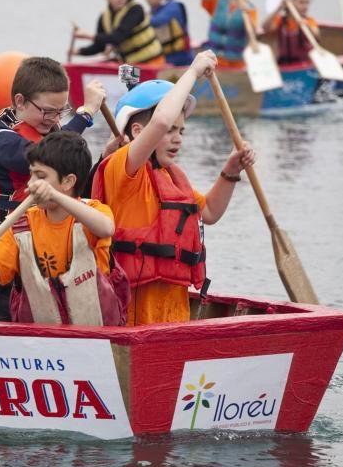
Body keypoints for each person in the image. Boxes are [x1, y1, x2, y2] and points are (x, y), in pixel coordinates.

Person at [91, 51, 256, 326]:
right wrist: (192, 72)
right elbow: (160, 122)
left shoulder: (171, 178)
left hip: (172, 314)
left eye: (182, 131)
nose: (177, 138)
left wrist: (231, 171)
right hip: (132, 319)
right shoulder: (121, 167)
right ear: (137, 132)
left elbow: (211, 211)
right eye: (171, 131)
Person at [0, 56, 106, 320]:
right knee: (11, 315)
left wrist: (108, 156)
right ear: (20, 101)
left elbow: (75, 181)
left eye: (60, 111)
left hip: (52, 238)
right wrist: (85, 113)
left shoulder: (51, 128)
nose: (53, 119)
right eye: (47, 111)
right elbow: (45, 156)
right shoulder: (0, 137)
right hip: (10, 240)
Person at [0, 131, 127, 326]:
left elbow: (106, 229)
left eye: (40, 176)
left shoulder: (93, 212)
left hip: (97, 341)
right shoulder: (20, 225)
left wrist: (55, 195)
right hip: (41, 345)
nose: (31, 184)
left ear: (68, 182)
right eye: (31, 174)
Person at [73, 0, 165, 65]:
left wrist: (88, 36)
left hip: (152, 62)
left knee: (128, 75)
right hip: (131, 66)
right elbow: (100, 46)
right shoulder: (104, 17)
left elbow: (118, 37)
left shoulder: (136, 9)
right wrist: (79, 51)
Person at [192, 0, 260, 70]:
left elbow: (252, 34)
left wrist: (246, 15)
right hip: (213, 62)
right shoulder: (216, 0)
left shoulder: (250, 9)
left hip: (236, 64)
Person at [144, 0, 194, 66]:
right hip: (165, 57)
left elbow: (157, 21)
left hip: (181, 59)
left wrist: (138, 16)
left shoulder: (173, 7)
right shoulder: (154, 10)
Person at [262, 0, 320, 65]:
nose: (305, 6)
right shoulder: (280, 20)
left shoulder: (309, 21)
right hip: (284, 65)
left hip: (304, 64)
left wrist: (307, 27)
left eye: (307, 3)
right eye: (301, 2)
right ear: (291, 3)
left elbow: (316, 36)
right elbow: (265, 27)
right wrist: (279, 8)